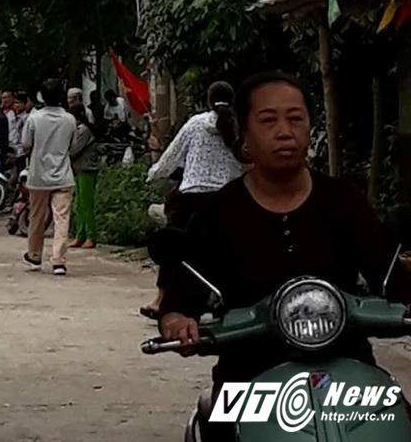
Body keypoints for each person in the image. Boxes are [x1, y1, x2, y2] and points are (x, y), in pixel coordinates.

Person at [157, 72, 411, 442]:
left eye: (295, 118)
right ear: (243, 135)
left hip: (350, 371)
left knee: (397, 421)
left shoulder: (344, 201)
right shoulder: (218, 213)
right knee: (215, 428)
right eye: (268, 120)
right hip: (247, 376)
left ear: (310, 127)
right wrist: (178, 319)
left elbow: (386, 274)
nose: (284, 130)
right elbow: (185, 293)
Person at [140, 81, 246, 319]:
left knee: (172, 249)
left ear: (208, 100)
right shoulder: (240, 127)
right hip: (227, 199)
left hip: (190, 199)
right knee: (226, 252)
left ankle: (160, 300)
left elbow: (171, 158)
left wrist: (153, 173)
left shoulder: (196, 123)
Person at [21, 78, 78, 276]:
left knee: (36, 216)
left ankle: (34, 255)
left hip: (38, 175)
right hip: (63, 175)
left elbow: (26, 144)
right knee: (61, 218)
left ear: (41, 97)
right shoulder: (70, 119)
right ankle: (59, 261)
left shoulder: (34, 119)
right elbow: (73, 145)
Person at [68, 105, 99, 250]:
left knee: (86, 204)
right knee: (78, 204)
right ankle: (80, 235)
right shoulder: (76, 130)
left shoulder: (83, 130)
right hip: (78, 170)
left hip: (86, 169)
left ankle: (90, 236)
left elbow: (74, 150)